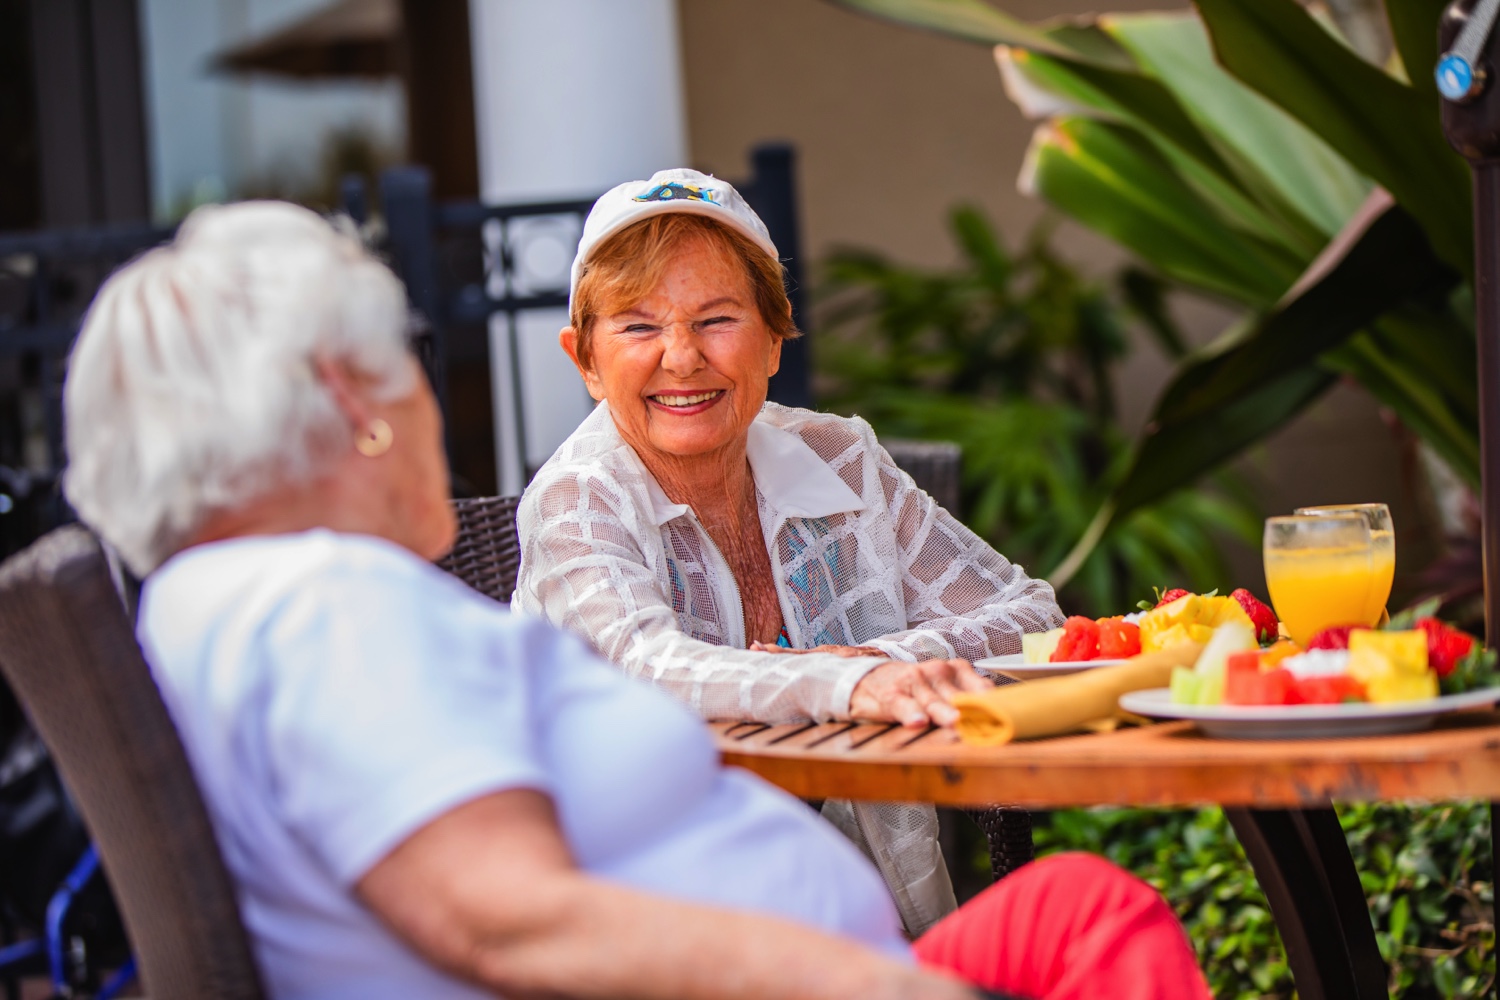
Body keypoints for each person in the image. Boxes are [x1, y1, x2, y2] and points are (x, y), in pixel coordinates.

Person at [63, 201, 1209, 1000]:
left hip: (840, 948)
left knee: (1076, 910)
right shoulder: (326, 604)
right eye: (412, 362)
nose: (432, 406)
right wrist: (876, 985)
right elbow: (508, 920)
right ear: (347, 396)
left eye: (716, 320)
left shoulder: (221, 602)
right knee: (1084, 925)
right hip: (826, 977)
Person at [513, 168, 1064, 933]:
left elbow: (1036, 619)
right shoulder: (577, 500)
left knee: (1086, 906)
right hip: (680, 942)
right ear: (586, 362)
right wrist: (845, 686)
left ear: (774, 339)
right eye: (638, 326)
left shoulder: (839, 456)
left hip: (887, 930)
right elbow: (647, 670)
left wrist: (878, 664)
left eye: (716, 319)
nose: (681, 357)